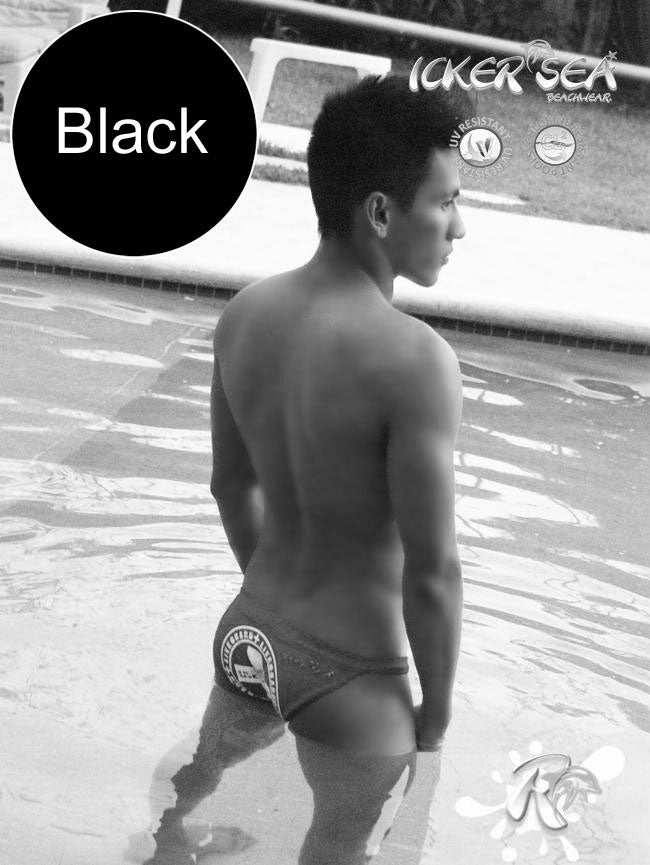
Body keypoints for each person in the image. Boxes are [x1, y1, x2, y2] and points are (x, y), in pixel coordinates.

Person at [145, 73, 469, 865]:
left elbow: (230, 486)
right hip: (354, 674)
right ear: (382, 212)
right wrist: (433, 717)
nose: (459, 227)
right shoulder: (417, 359)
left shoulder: (246, 312)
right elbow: (432, 571)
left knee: (196, 783)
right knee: (341, 847)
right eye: (447, 202)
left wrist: (275, 609)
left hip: (249, 633)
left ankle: (164, 848)